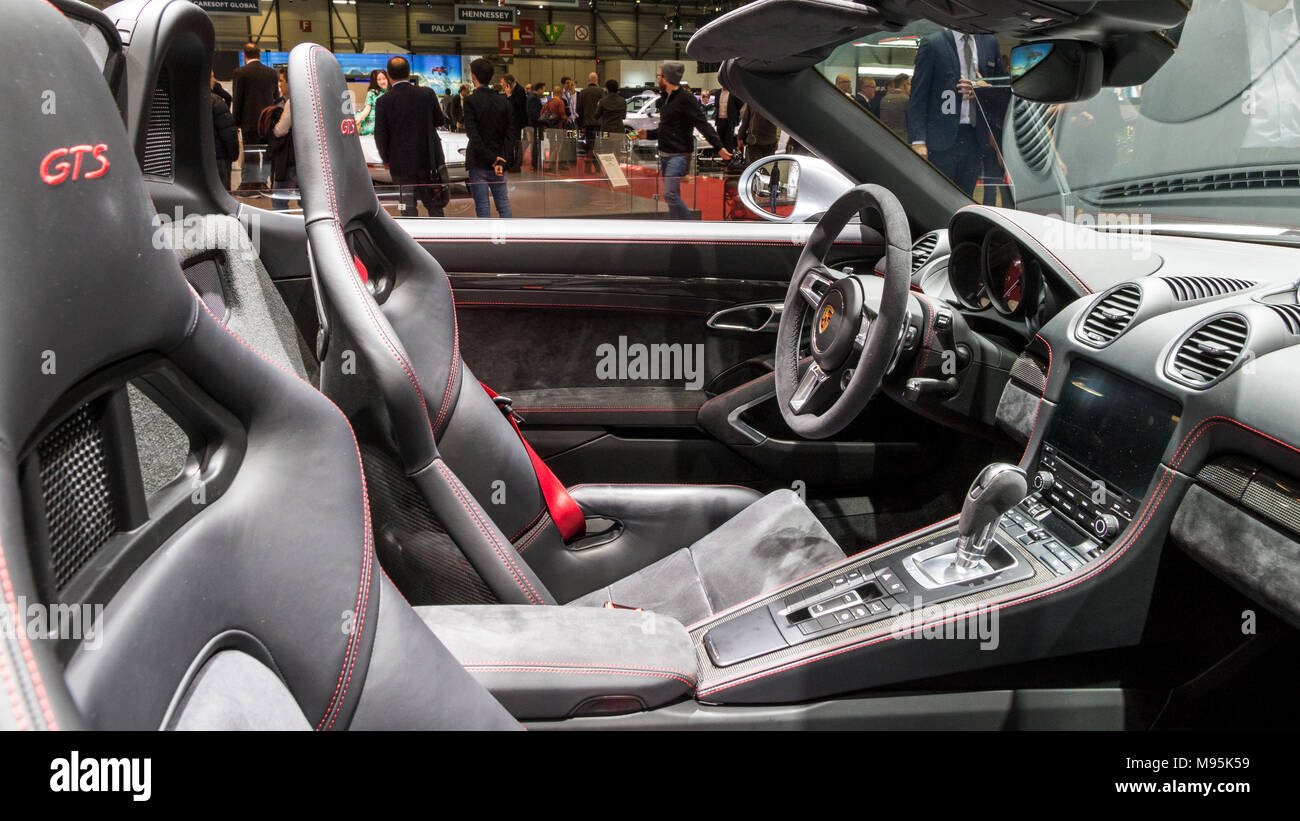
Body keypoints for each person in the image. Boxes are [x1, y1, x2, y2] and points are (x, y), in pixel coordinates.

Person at [907, 27, 1005, 196]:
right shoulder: (933, 43)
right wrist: (918, 140)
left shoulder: (989, 43)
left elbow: (1002, 89)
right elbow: (918, 95)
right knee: (937, 197)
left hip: (975, 138)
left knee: (965, 198)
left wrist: (986, 90)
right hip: (939, 140)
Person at [655, 60, 731, 220]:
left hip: (678, 155)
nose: (658, 79)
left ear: (666, 78)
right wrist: (647, 135)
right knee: (673, 195)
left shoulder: (685, 99)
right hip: (666, 154)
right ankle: (678, 227)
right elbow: (666, 128)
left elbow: (702, 123)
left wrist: (719, 147)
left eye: (660, 76)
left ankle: (691, 226)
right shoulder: (667, 99)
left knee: (669, 194)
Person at [375, 55, 448, 217]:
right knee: (434, 205)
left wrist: (386, 158)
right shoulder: (427, 94)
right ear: (409, 73)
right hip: (428, 161)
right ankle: (442, 238)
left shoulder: (383, 101)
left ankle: (411, 240)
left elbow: (380, 134)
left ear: (388, 75)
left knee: (407, 207)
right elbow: (439, 120)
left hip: (400, 164)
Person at [463, 57, 513, 218]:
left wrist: (491, 158)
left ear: (473, 77)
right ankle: (510, 239)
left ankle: (486, 242)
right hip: (499, 161)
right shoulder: (503, 101)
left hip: (478, 161)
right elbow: (510, 134)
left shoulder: (470, 101)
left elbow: (473, 134)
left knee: (482, 207)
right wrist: (500, 159)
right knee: (503, 205)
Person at [231, 43, 278, 148]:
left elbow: (238, 99)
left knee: (251, 155)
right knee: (269, 154)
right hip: (268, 121)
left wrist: (236, 122)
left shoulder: (239, 73)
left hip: (249, 123)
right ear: (259, 55)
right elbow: (276, 96)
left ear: (244, 56)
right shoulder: (271, 72)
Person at [267, 68, 296, 211]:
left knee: (279, 200)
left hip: (290, 158)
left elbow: (280, 130)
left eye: (282, 81)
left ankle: (285, 231)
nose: (280, 84)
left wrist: (272, 129)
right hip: (310, 159)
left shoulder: (292, 103)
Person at [211, 89, 238, 191]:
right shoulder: (216, 102)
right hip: (219, 157)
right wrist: (233, 155)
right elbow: (229, 133)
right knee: (222, 194)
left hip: (195, 161)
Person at [576, 71, 603, 168]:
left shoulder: (583, 92)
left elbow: (578, 110)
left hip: (587, 123)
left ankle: (588, 167)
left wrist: (580, 125)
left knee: (589, 144)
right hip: (598, 123)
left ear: (588, 80)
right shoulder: (601, 92)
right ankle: (597, 166)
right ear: (597, 80)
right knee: (597, 146)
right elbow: (603, 108)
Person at [502, 74, 527, 172]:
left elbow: (515, 106)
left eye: (504, 84)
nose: (503, 86)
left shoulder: (520, 90)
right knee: (511, 144)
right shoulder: (512, 90)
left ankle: (517, 166)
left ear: (509, 83)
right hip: (511, 123)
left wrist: (509, 95)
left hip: (518, 123)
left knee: (517, 144)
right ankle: (511, 164)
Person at [353, 69, 388, 136]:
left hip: (385, 119)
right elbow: (367, 108)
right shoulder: (372, 92)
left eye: (384, 78)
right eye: (379, 79)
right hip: (372, 118)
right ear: (375, 81)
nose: (382, 81)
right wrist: (359, 118)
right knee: (357, 120)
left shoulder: (392, 92)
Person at [878, 73, 910, 138]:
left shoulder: (884, 99)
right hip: (902, 139)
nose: (911, 87)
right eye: (910, 84)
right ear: (905, 85)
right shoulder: (907, 99)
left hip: (885, 137)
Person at [714, 85, 742, 152]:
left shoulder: (734, 92)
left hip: (729, 122)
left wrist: (735, 117)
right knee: (720, 142)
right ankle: (722, 159)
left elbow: (740, 105)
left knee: (728, 142)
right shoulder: (717, 92)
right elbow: (716, 106)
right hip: (719, 121)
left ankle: (729, 160)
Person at [526, 81, 545, 170]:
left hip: (532, 125)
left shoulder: (531, 97)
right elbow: (534, 113)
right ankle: (536, 164)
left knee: (534, 144)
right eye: (543, 89)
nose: (543, 91)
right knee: (536, 144)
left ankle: (536, 164)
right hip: (535, 125)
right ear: (540, 89)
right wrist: (542, 119)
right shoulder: (534, 98)